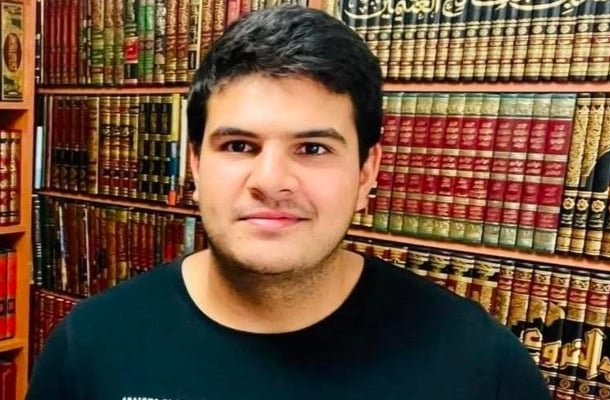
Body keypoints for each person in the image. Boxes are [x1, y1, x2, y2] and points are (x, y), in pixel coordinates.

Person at [27, 5, 551, 399]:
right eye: (239, 146)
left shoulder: (479, 363)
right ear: (195, 165)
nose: (271, 180)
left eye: (313, 148)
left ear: (366, 172)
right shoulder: (91, 346)